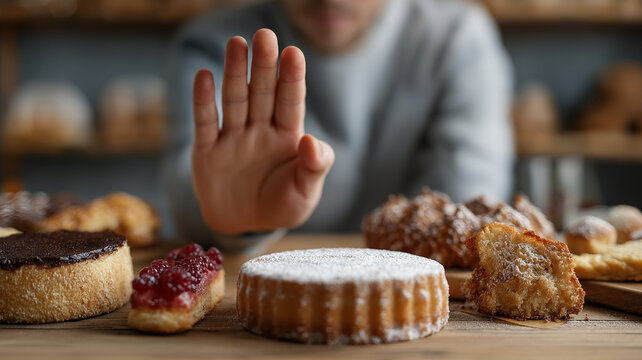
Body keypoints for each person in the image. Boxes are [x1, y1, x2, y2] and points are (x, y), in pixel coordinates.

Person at [163, 0, 514, 251]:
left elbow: (470, 204)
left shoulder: (459, 37)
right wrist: (237, 223)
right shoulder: (215, 43)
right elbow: (189, 181)